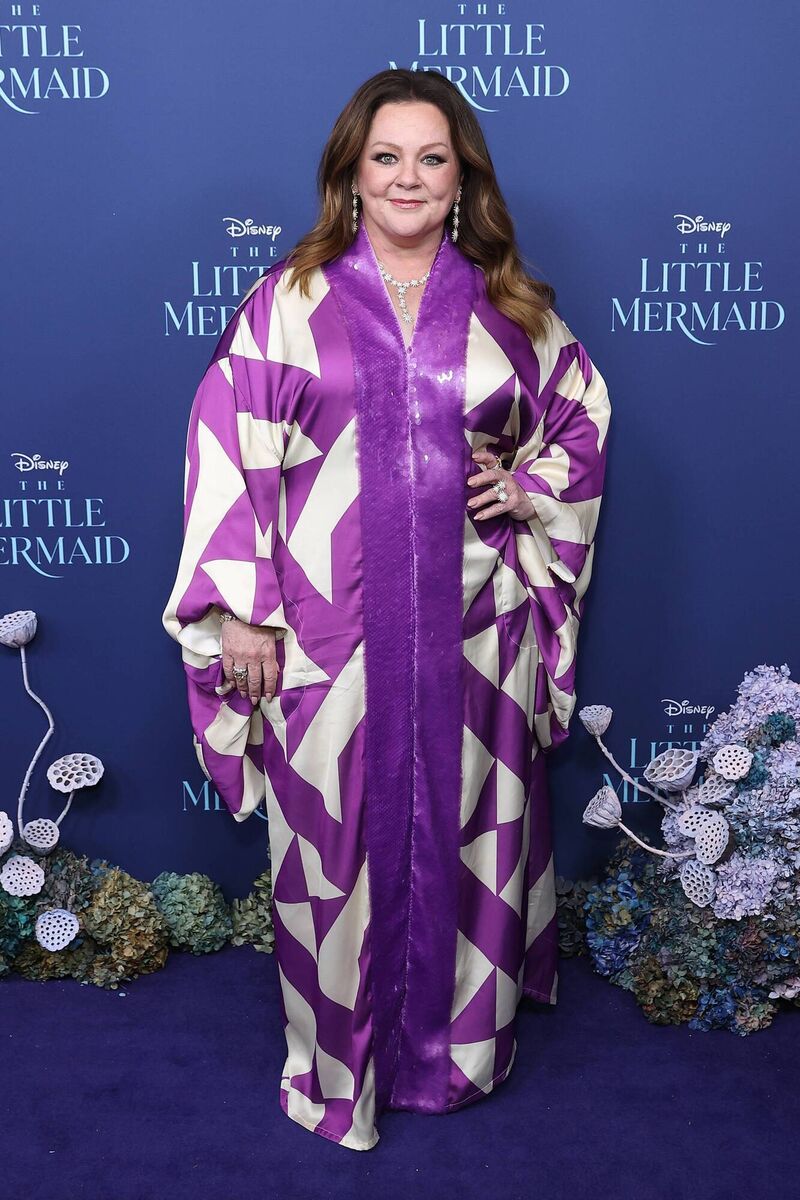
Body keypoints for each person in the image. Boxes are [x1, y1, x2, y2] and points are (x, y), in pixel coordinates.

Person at [162, 67, 611, 1151]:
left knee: (470, 828)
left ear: (461, 180)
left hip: (474, 635)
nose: (407, 177)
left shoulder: (513, 310)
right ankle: (337, 1069)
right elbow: (228, 452)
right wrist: (239, 614)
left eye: (431, 157)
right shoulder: (290, 303)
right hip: (327, 643)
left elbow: (579, 424)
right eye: (385, 158)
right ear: (350, 177)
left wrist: (533, 487)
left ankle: (461, 1050)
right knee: (332, 853)